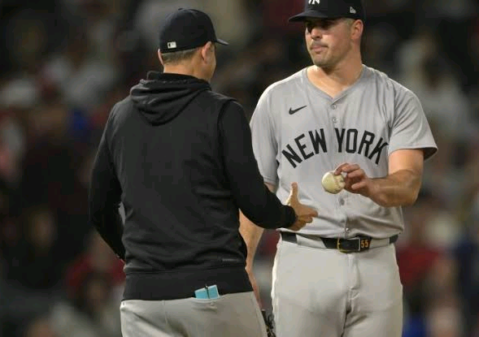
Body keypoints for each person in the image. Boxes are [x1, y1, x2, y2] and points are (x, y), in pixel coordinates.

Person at [88, 8, 318, 337]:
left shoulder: (121, 116)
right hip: (213, 291)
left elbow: (99, 207)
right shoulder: (222, 113)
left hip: (143, 298)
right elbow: (254, 203)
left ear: (161, 56)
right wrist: (288, 215)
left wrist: (132, 257)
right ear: (207, 51)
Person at [240, 0, 438, 336]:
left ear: (355, 28)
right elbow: (258, 190)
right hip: (304, 259)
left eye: (325, 23)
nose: (314, 33)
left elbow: (409, 185)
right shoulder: (276, 99)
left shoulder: (397, 99)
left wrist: (373, 186)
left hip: (376, 260)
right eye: (308, 26)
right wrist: (242, 264)